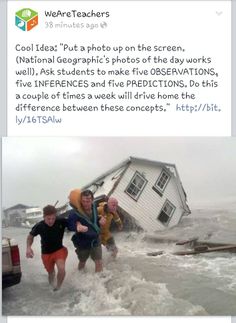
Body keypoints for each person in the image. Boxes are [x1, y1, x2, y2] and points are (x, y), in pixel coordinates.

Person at [26, 205, 68, 291]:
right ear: (44, 217)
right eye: (48, 218)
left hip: (59, 250)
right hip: (46, 253)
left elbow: (73, 221)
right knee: (51, 273)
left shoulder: (60, 221)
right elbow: (30, 236)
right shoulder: (39, 226)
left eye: (53, 218)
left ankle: (58, 288)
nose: (51, 221)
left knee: (61, 269)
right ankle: (51, 286)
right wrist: (28, 247)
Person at [68, 189, 106, 272]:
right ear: (80, 201)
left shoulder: (94, 206)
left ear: (92, 200)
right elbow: (70, 224)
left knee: (99, 261)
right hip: (83, 242)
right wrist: (77, 227)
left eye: (88, 201)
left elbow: (94, 220)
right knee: (82, 262)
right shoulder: (75, 213)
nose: (86, 204)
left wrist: (101, 219)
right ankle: (80, 276)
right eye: (83, 201)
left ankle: (98, 282)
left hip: (95, 240)